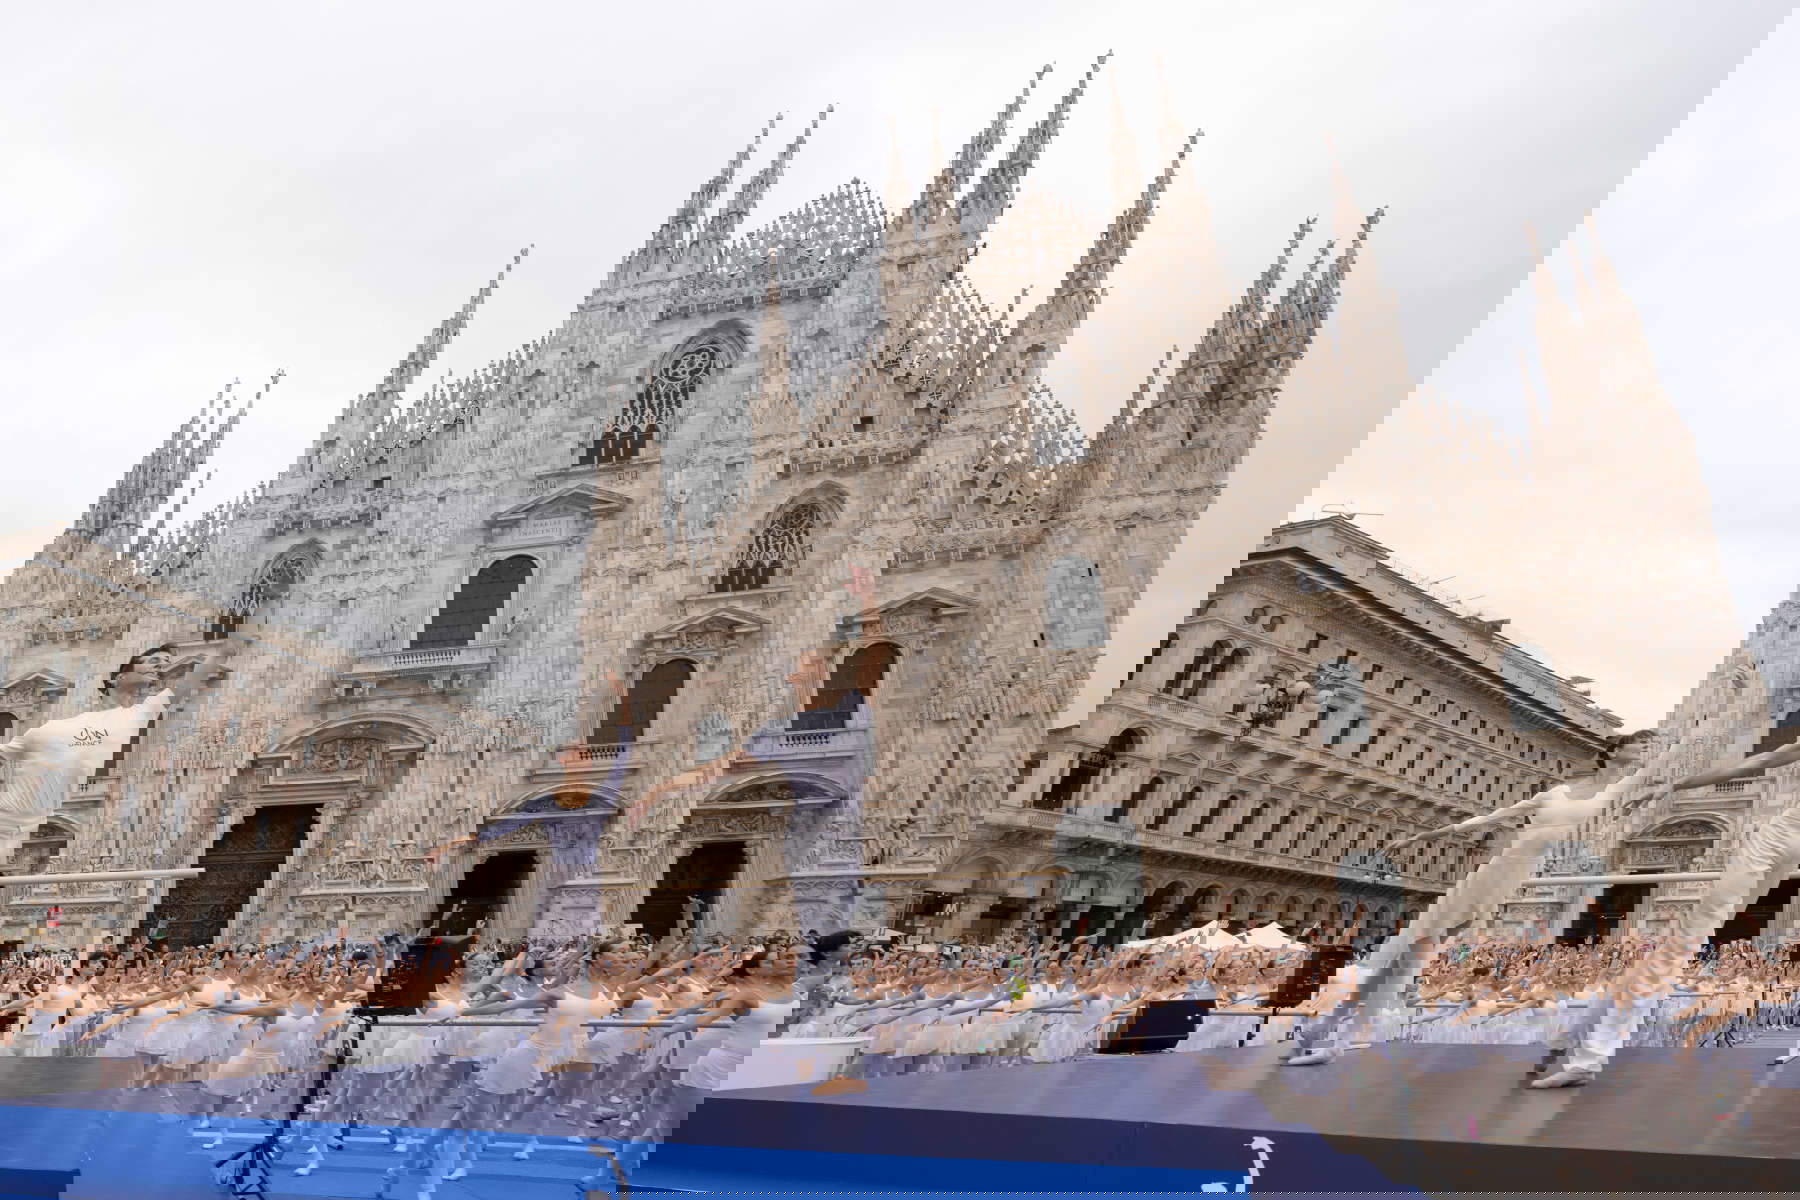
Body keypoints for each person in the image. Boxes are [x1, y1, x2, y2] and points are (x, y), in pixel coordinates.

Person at [1284, 733, 1655, 1066]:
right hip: (1508, 867)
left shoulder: (1629, 789)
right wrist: (1423, 838)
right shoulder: (1558, 793)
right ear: (1617, 750)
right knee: (1415, 944)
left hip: (1554, 876)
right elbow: (1491, 819)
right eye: (1639, 746)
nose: (1645, 753)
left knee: (1475, 946)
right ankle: (1333, 1036)